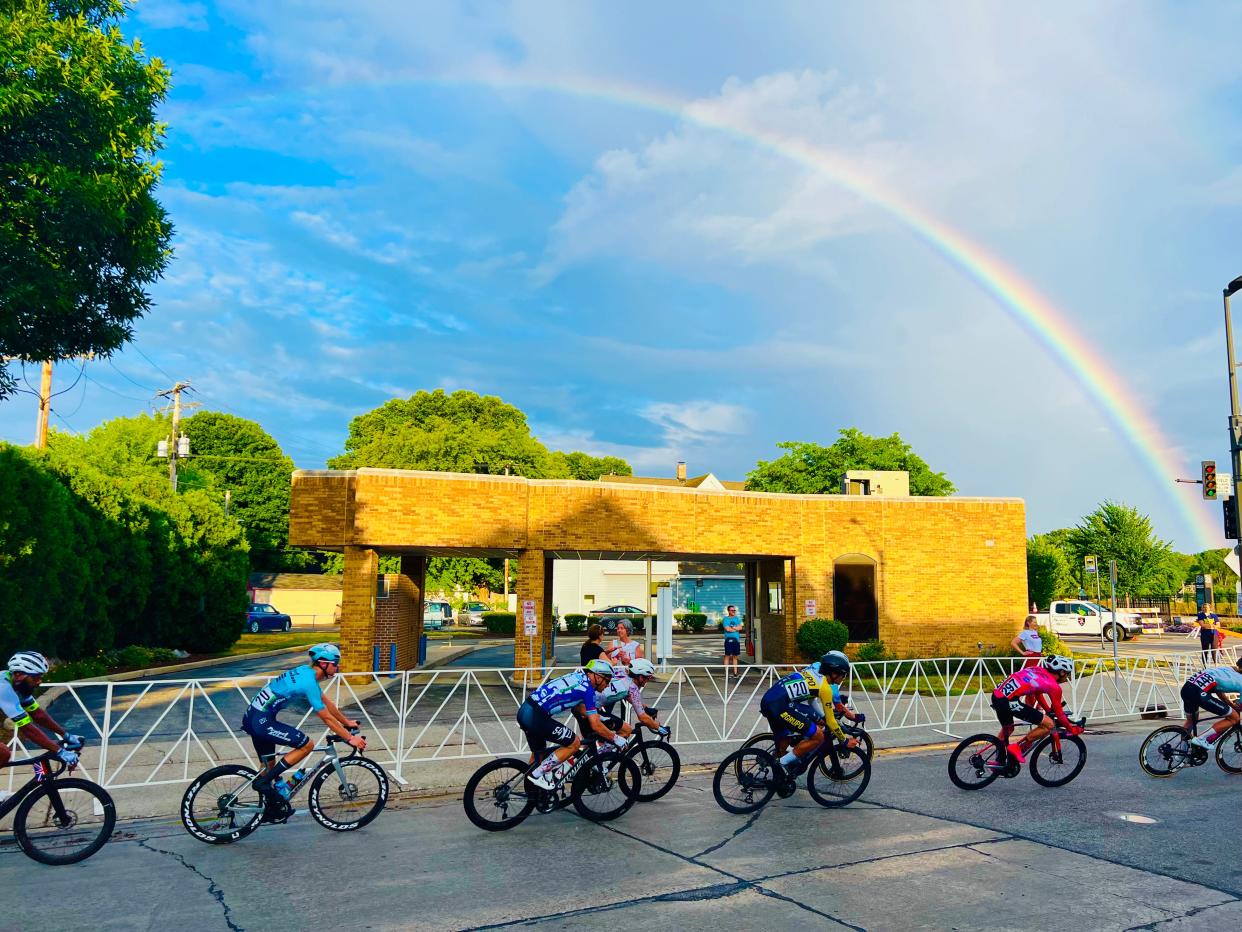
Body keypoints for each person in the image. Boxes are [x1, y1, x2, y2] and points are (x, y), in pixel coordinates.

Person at [241, 643, 365, 805]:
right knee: (307, 745)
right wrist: (349, 738)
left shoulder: (305, 672)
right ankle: (263, 784)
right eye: (335, 664)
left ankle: (268, 806)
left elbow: (326, 702)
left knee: (269, 765)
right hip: (261, 722)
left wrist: (346, 722)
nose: (337, 667)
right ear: (323, 663)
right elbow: (326, 718)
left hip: (253, 717)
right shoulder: (309, 682)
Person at [519, 659, 629, 789]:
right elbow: (595, 725)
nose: (607, 685)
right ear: (598, 677)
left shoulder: (576, 677)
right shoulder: (588, 689)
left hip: (525, 710)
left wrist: (600, 717)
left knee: (540, 754)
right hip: (536, 717)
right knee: (574, 743)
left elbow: (577, 708)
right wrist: (616, 738)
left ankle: (533, 793)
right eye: (607, 680)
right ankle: (537, 774)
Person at [0, 652, 83, 801]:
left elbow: (38, 715)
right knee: (3, 753)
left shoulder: (18, 685)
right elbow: (28, 729)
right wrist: (60, 751)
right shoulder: (3, 688)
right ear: (19, 674)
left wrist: (66, 736)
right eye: (36, 677)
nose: (39, 682)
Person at [758, 651, 857, 776]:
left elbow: (811, 703)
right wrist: (845, 741)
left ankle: (779, 777)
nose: (844, 678)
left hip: (768, 701)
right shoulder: (825, 688)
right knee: (818, 736)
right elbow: (831, 721)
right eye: (843, 674)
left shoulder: (814, 674)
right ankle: (781, 763)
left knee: (784, 742)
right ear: (834, 673)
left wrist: (823, 717)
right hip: (781, 706)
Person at [991, 655, 1081, 764]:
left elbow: (1038, 695)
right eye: (1067, 674)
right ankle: (1017, 748)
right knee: (1049, 725)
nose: (1067, 677)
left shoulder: (1037, 670)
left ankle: (999, 761)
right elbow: (1060, 715)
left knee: (1008, 729)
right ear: (1061, 672)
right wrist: (1071, 729)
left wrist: (1048, 710)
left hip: (997, 696)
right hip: (1008, 701)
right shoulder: (1054, 686)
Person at [594, 658, 669, 739]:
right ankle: (607, 752)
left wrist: (646, 708)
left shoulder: (621, 672)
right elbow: (643, 718)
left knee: (591, 742)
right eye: (648, 678)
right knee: (626, 730)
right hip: (591, 710)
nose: (648, 680)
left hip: (585, 705)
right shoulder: (632, 688)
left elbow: (629, 697)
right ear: (640, 677)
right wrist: (660, 728)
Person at [1181, 660, 1242, 751]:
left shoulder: (1228, 669)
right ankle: (1201, 739)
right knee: (1234, 718)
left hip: (1187, 689)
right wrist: (1235, 705)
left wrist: (1228, 703)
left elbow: (1218, 687)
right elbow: (1239, 704)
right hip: (1199, 693)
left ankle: (1182, 752)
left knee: (1191, 721)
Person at [721, 605, 743, 672]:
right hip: (728, 640)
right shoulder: (725, 619)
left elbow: (740, 628)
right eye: (732, 610)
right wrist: (736, 628)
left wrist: (733, 628)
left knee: (735, 656)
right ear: (728, 611)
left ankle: (735, 672)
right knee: (727, 655)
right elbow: (727, 629)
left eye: (734, 610)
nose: (733, 611)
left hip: (736, 640)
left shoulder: (736, 618)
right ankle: (726, 672)